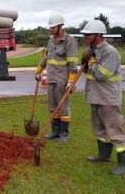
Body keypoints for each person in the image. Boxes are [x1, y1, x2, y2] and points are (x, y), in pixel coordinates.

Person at [80, 20, 125, 175]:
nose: (85, 36)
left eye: (88, 34)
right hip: (96, 96)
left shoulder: (110, 52)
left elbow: (101, 75)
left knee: (115, 131)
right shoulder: (92, 50)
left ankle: (123, 164)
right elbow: (89, 73)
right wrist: (84, 63)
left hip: (108, 99)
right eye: (84, 34)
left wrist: (91, 62)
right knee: (99, 129)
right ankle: (103, 156)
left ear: (98, 35)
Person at [35, 14, 79, 142]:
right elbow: (46, 57)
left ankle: (64, 134)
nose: (51, 29)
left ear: (61, 26)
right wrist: (39, 70)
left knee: (63, 107)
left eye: (53, 27)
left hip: (62, 80)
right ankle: (55, 132)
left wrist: (71, 81)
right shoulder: (51, 40)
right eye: (50, 27)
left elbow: (73, 62)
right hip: (51, 78)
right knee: (53, 106)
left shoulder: (69, 41)